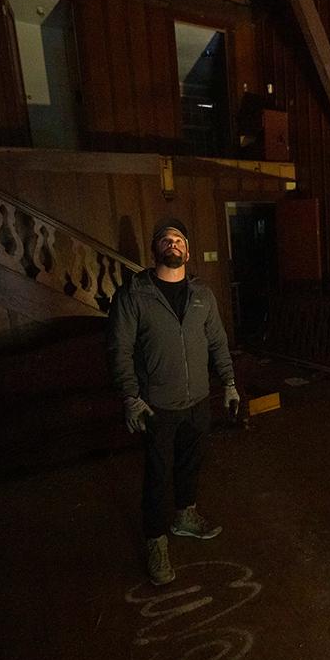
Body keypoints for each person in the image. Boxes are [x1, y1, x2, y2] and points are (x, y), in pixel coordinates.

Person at [106, 217, 240, 585]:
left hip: (198, 401)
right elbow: (120, 350)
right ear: (156, 251)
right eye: (166, 240)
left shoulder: (202, 295)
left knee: (190, 464)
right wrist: (131, 398)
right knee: (156, 476)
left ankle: (185, 516)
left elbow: (217, 342)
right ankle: (156, 541)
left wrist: (228, 383)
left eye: (179, 240)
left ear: (188, 251)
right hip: (158, 406)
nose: (173, 245)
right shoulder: (134, 296)